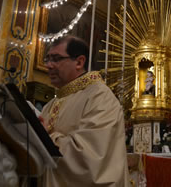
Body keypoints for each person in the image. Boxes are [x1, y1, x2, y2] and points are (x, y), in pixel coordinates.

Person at [40, 35, 129, 186]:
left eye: (56, 59)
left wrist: (44, 137)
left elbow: (90, 158)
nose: (49, 65)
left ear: (79, 62)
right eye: (47, 59)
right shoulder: (49, 105)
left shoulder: (100, 97)